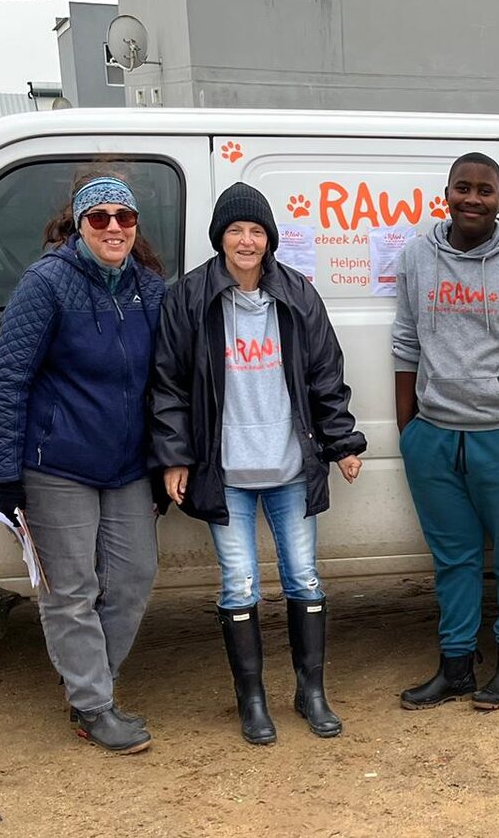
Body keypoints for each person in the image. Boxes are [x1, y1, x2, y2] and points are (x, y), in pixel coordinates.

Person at [151, 183, 366, 745]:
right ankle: (251, 701)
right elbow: (168, 383)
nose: (246, 241)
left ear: (269, 238)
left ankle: (310, 692)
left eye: (256, 231)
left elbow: (325, 375)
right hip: (227, 475)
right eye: (235, 230)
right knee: (239, 585)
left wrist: (342, 442)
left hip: (289, 468)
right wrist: (175, 456)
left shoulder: (297, 294)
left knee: (304, 577)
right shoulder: (191, 297)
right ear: (220, 237)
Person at [0, 175, 166, 754]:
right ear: (79, 225)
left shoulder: (149, 289)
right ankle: (93, 706)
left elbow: (168, 381)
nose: (114, 227)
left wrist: (168, 459)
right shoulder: (48, 283)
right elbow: (8, 380)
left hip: (129, 466)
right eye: (100, 218)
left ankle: (90, 685)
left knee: (133, 580)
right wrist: (6, 472)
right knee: (71, 590)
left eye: (125, 218)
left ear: (136, 227)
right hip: (57, 463)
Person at [392, 152, 499, 711]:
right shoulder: (417, 256)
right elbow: (406, 343)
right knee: (454, 561)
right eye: (462, 188)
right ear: (445, 193)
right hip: (435, 438)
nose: (472, 198)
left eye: (484, 190)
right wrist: (408, 432)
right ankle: (456, 665)